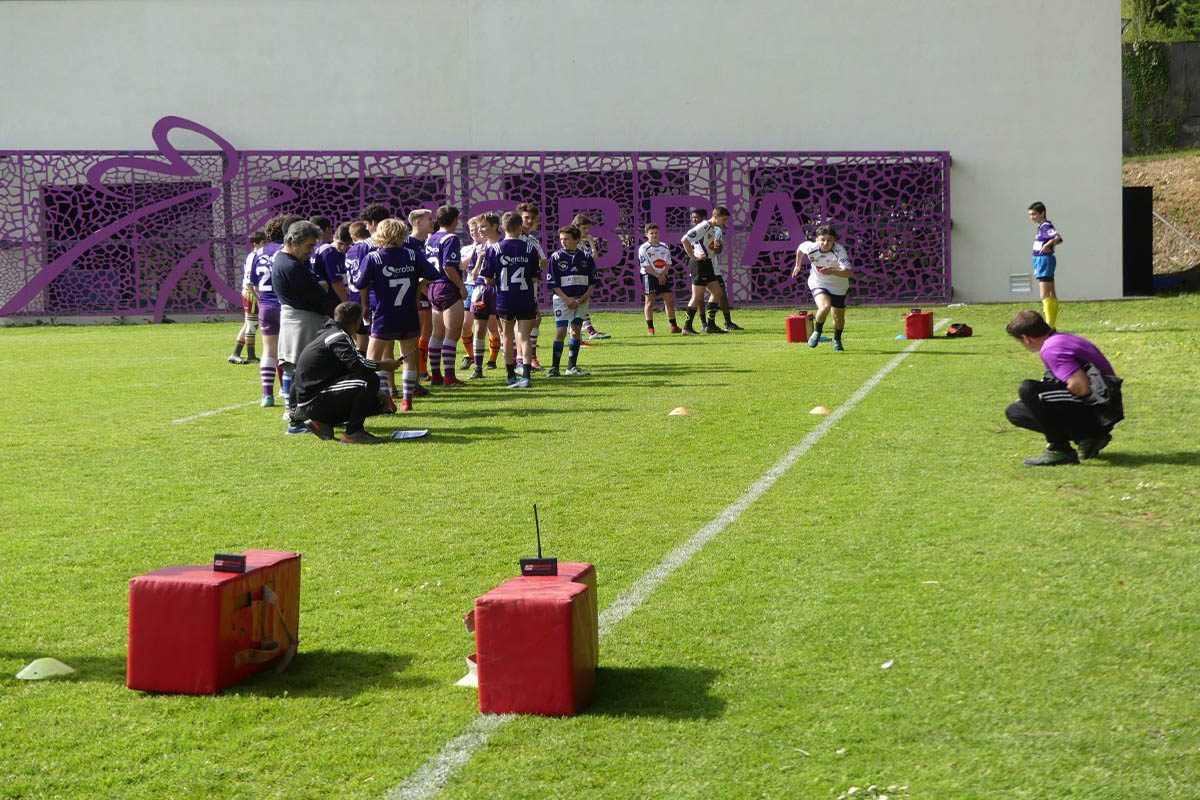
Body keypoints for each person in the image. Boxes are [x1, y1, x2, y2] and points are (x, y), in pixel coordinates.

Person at [1004, 310, 1123, 466]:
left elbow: (1081, 388)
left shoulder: (1051, 349)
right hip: (1104, 409)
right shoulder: (1062, 339)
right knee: (1016, 411)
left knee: (1028, 390)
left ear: (1026, 338)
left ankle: (1060, 449)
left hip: (1100, 413)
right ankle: (1088, 438)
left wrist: (1041, 400)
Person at [354, 218, 437, 412]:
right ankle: (407, 401)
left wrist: (366, 300)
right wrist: (419, 285)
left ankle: (386, 398)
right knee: (408, 356)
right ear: (402, 235)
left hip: (384, 314)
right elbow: (434, 274)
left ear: (380, 234)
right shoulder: (412, 255)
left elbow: (359, 283)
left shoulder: (374, 258)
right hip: (408, 312)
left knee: (374, 358)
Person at [289, 302, 397, 445]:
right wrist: (383, 365)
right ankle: (353, 432)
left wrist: (379, 393)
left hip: (310, 399)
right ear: (356, 323)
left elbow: (350, 368)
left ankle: (323, 422)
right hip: (313, 400)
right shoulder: (338, 336)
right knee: (369, 380)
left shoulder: (331, 333)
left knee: (377, 401)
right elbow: (358, 365)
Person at [272, 220, 330, 428]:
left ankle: (296, 414)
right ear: (292, 242)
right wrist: (322, 287)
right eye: (308, 245)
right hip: (301, 322)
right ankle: (296, 418)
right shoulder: (291, 266)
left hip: (299, 320)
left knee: (297, 368)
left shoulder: (286, 260)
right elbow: (317, 294)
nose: (310, 250)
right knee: (303, 370)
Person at [482, 211, 539, 389]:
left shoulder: (494, 249)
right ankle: (526, 376)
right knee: (524, 336)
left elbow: (487, 279)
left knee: (507, 335)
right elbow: (535, 277)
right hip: (525, 297)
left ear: (502, 227)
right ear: (520, 227)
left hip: (505, 298)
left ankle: (510, 375)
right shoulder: (529, 248)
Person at [425, 205, 470, 387]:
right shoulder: (450, 238)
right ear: (455, 220)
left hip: (433, 286)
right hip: (447, 286)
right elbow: (448, 266)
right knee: (452, 333)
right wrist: (461, 287)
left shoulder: (431, 238)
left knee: (437, 333)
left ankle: (436, 375)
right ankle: (449, 377)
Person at [792, 224, 853, 351]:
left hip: (839, 286)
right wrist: (798, 265)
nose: (825, 243)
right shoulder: (810, 247)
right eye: (822, 239)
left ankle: (837, 339)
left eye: (829, 240)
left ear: (834, 240)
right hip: (818, 282)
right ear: (817, 239)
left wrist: (832, 271)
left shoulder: (839, 251)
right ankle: (817, 331)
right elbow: (800, 250)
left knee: (838, 317)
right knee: (825, 306)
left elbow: (848, 273)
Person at [546, 225, 595, 377]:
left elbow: (593, 280)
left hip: (581, 300)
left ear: (576, 239)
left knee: (576, 330)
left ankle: (571, 367)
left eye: (566, 239)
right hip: (562, 300)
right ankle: (554, 367)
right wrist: (566, 299)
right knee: (561, 331)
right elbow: (552, 283)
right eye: (561, 239)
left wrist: (586, 296)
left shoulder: (586, 257)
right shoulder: (556, 257)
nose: (563, 242)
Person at [681, 206, 733, 334]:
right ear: (716, 217)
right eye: (724, 219)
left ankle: (711, 325)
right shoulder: (704, 226)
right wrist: (693, 256)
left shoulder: (713, 228)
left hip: (707, 263)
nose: (725, 222)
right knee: (697, 296)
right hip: (699, 265)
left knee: (717, 292)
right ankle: (687, 327)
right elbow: (685, 240)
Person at [468, 212, 503, 378]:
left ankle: (512, 366)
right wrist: (480, 260)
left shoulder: (504, 246)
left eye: (483, 226)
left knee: (504, 329)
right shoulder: (480, 248)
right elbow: (474, 275)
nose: (479, 230)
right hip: (481, 291)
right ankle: (478, 369)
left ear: (494, 226)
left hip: (500, 290)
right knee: (479, 328)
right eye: (478, 227)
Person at [570, 213, 610, 340]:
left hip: (583, 278)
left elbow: (594, 257)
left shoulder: (582, 243)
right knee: (578, 304)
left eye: (588, 228)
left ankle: (588, 330)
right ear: (576, 228)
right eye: (584, 228)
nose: (587, 231)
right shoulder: (573, 243)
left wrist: (591, 242)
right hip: (575, 279)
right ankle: (581, 334)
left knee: (583, 304)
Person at [517, 202, 547, 369]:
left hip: (531, 286)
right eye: (526, 217)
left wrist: (539, 262)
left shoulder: (533, 240)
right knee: (525, 322)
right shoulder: (515, 239)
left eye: (532, 218)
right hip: (518, 286)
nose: (529, 221)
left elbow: (543, 262)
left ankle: (527, 357)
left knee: (534, 320)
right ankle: (522, 359)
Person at [407, 208, 436, 381]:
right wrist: (426, 291)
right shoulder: (408, 243)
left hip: (429, 291)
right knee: (419, 332)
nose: (433, 222)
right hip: (418, 293)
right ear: (418, 222)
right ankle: (418, 372)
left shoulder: (429, 242)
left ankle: (422, 371)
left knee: (427, 332)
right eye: (429, 219)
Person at [230, 231, 266, 364]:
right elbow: (251, 280)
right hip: (250, 292)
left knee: (249, 324)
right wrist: (257, 297)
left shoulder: (252, 255)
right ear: (255, 244)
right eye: (263, 242)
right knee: (252, 324)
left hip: (249, 291)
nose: (265, 245)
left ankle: (236, 354)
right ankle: (250, 355)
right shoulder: (254, 256)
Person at [638, 223, 680, 334]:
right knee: (649, 302)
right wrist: (657, 276)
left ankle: (674, 326)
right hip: (650, 276)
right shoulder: (643, 248)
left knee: (669, 301)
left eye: (656, 233)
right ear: (646, 234)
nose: (654, 235)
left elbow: (668, 262)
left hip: (663, 275)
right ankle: (650, 328)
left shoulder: (664, 246)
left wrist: (663, 274)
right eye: (651, 233)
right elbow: (646, 266)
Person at [1028, 201, 1063, 329]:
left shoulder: (1045, 226)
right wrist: (1049, 245)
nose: (1032, 217)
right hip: (1043, 260)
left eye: (1034, 214)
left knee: (1044, 294)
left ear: (1042, 213)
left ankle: (1049, 324)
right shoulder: (1042, 227)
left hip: (1043, 260)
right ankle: (1051, 324)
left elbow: (1058, 237)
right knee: (1051, 292)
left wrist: (1047, 245)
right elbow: (1058, 240)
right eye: (1030, 215)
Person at [343, 220, 374, 353]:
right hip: (367, 297)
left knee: (360, 336)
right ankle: (366, 362)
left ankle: (360, 358)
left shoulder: (349, 250)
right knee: (373, 337)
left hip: (353, 295)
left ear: (353, 237)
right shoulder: (367, 248)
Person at [310, 218, 349, 315]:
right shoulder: (328, 251)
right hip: (331, 300)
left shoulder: (312, 248)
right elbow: (336, 282)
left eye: (347, 244)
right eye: (340, 243)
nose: (343, 247)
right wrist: (348, 304)